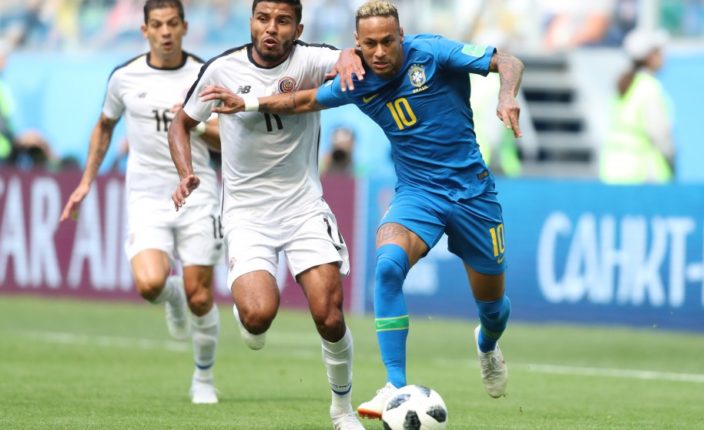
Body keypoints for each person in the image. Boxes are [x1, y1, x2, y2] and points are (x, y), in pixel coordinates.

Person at [198, 0, 524, 419]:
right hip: (418, 194)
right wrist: (246, 104)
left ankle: (488, 342)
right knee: (387, 266)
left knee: (492, 308)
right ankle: (396, 385)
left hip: (473, 195)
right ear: (357, 44)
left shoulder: (433, 52)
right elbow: (303, 101)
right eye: (370, 44)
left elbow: (508, 61)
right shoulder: (358, 80)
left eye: (388, 41)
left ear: (401, 36)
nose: (380, 52)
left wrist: (507, 95)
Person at [168, 1, 366, 428]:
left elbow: (347, 56)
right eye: (263, 19)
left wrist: (350, 57)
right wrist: (185, 173)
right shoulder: (223, 69)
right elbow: (180, 123)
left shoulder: (311, 58)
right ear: (251, 22)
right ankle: (248, 315)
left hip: (303, 207)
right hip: (247, 213)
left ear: (298, 28)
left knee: (329, 315)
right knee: (258, 317)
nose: (271, 28)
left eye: (282, 21)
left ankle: (342, 409)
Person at [59, 0, 223, 405]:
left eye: (172, 24)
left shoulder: (205, 75)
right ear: (144, 30)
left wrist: (194, 124)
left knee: (201, 296)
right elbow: (105, 126)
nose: (165, 32)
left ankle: (203, 378)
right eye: (157, 25)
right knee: (150, 284)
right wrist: (86, 182)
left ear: (185, 27)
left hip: (198, 192)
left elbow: (227, 138)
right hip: (148, 195)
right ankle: (171, 298)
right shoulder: (125, 77)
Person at [600, 28, 674, 184]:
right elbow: (660, 134)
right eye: (659, 52)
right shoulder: (648, 87)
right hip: (642, 175)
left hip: (612, 170)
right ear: (650, 57)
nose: (663, 57)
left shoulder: (623, 84)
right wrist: (671, 158)